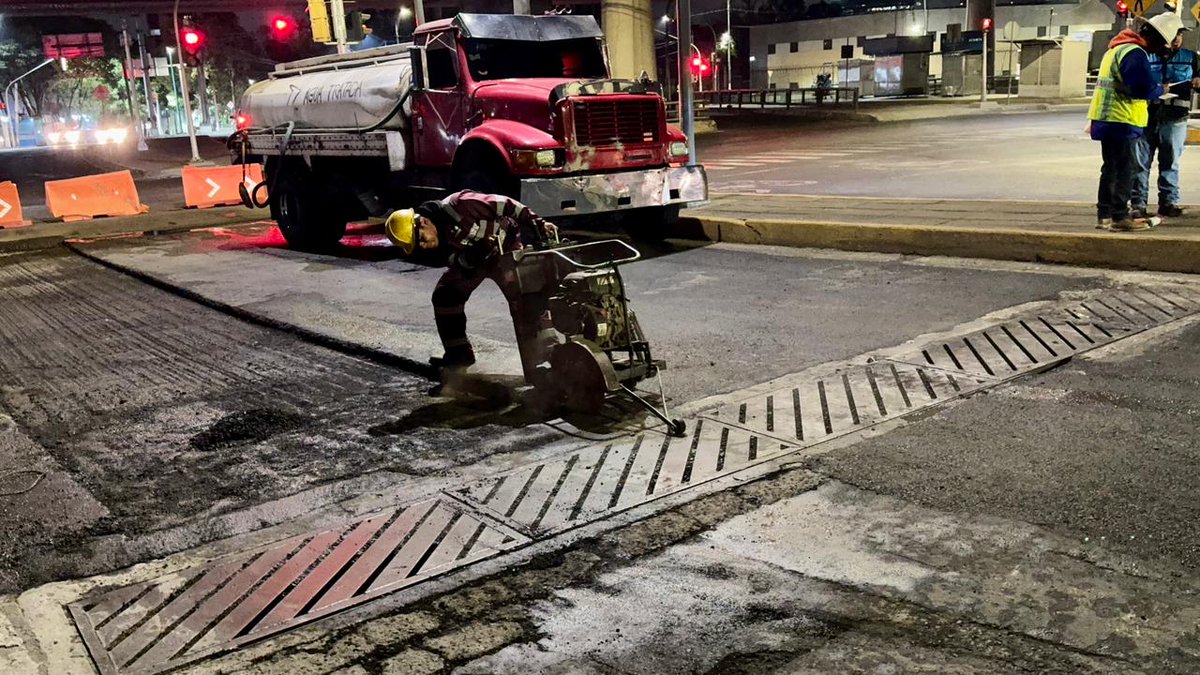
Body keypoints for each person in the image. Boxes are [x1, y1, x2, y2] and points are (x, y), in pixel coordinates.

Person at [384, 191, 559, 380]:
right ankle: (459, 356)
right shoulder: (434, 243)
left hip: (506, 252)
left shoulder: (462, 204)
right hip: (478, 261)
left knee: (526, 298)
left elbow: (507, 204)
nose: (423, 246)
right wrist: (472, 256)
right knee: (446, 296)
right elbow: (456, 262)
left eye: (421, 239)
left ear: (424, 222)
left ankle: (548, 355)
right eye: (417, 246)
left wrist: (538, 223)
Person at [1088, 13, 1181, 231]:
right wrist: (1159, 89)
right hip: (1122, 118)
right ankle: (1120, 217)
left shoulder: (1115, 49)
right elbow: (1141, 89)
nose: (1161, 49)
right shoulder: (1134, 53)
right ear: (1157, 38)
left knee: (1110, 168)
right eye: (1162, 44)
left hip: (1105, 117)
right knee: (1125, 169)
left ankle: (1105, 215)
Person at [1132, 18, 1199, 219]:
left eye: (1180, 34)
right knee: (1140, 164)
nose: (1177, 38)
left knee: (1170, 163)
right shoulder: (1146, 55)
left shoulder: (1191, 58)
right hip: (1147, 116)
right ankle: (1138, 204)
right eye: (1174, 34)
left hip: (1175, 118)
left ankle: (1168, 202)